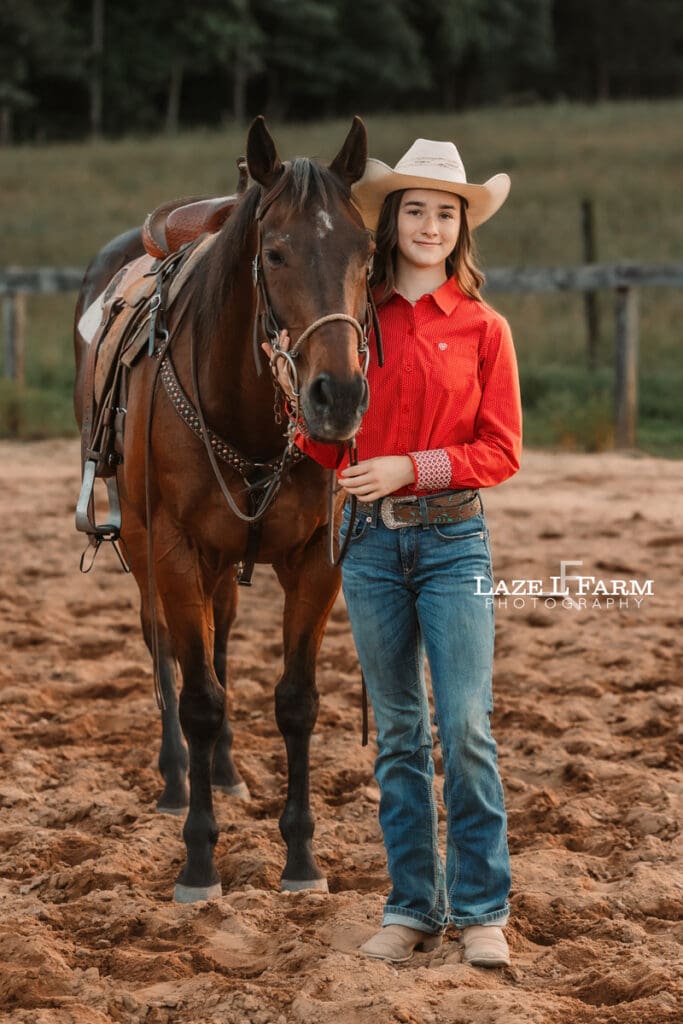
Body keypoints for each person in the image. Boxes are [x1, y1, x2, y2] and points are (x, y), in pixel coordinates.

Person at [266, 139, 522, 967]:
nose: (428, 224)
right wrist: (306, 421)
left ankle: (482, 910)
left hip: (453, 541)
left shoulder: (483, 327)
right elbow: (329, 442)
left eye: (444, 213)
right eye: (414, 209)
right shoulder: (354, 319)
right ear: (390, 223)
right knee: (402, 737)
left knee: (467, 728)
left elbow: (502, 449)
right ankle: (412, 905)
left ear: (460, 230)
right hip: (370, 548)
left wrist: (411, 467)